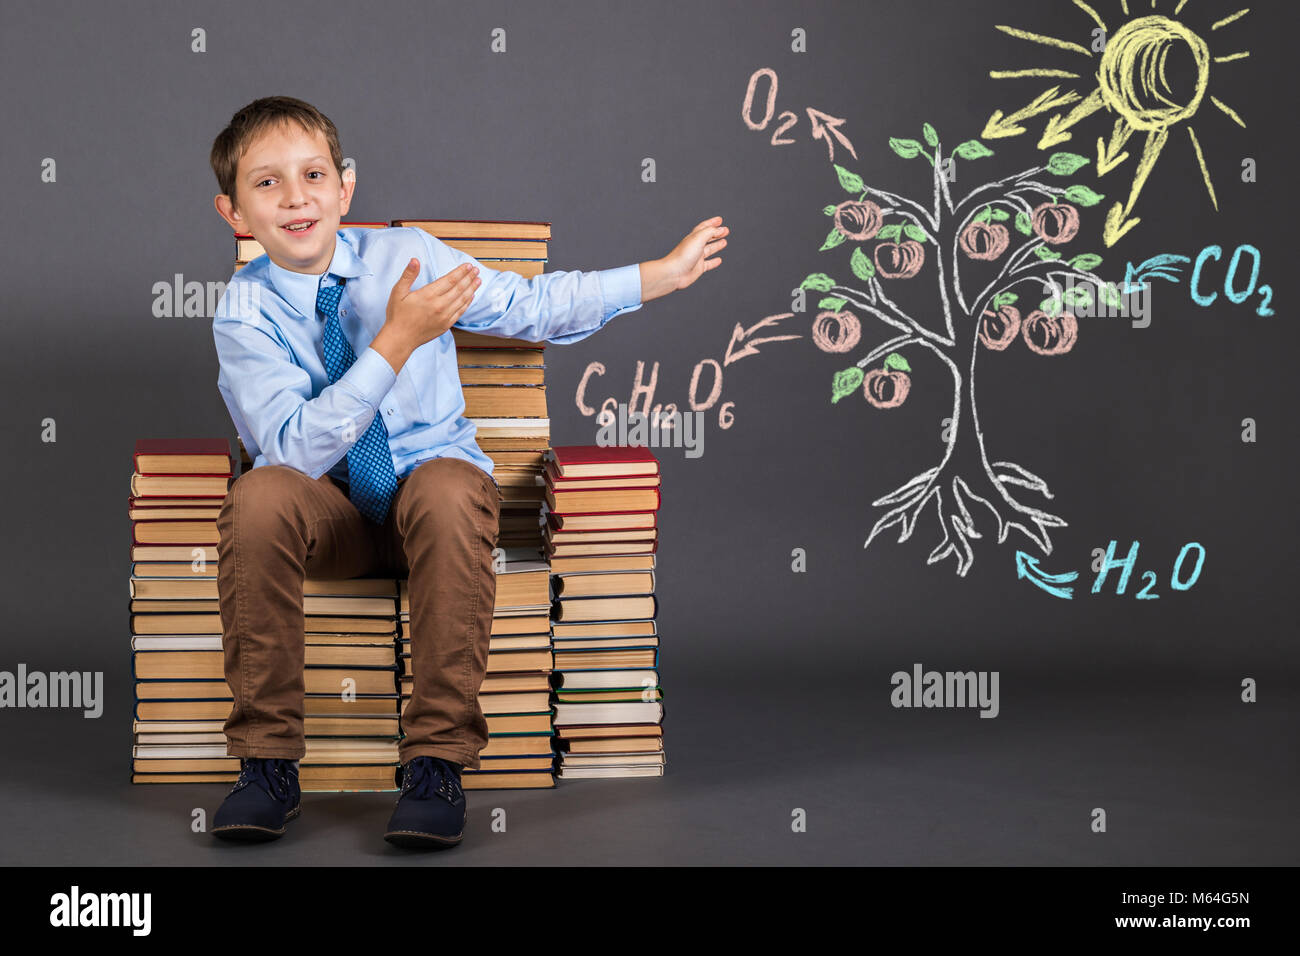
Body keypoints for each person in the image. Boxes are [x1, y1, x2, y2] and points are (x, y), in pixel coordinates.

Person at [205, 95, 726, 849]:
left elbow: (532, 305)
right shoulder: (243, 313)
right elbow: (292, 451)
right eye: (267, 183)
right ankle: (266, 765)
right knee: (257, 496)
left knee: (448, 486)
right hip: (334, 516)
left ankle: (435, 766)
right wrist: (395, 342)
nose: (296, 197)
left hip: (435, 509)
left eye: (313, 174)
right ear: (233, 212)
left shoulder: (408, 256)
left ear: (345, 189)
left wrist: (659, 276)